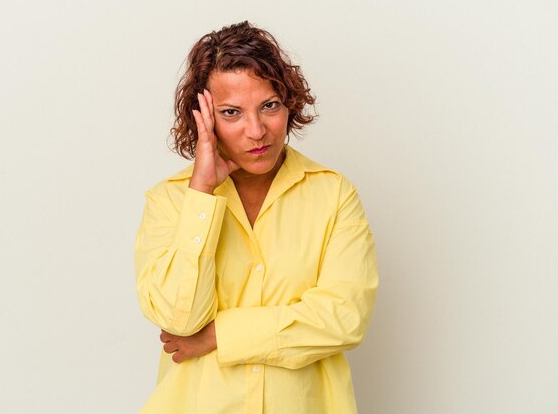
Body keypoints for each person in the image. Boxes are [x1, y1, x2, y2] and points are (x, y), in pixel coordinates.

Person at [134, 21, 378, 414]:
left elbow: (344, 318)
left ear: (289, 104)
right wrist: (201, 195)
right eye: (231, 113)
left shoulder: (333, 195)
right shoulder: (170, 201)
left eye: (269, 106)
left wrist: (219, 335)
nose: (256, 130)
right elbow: (178, 318)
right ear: (204, 117)